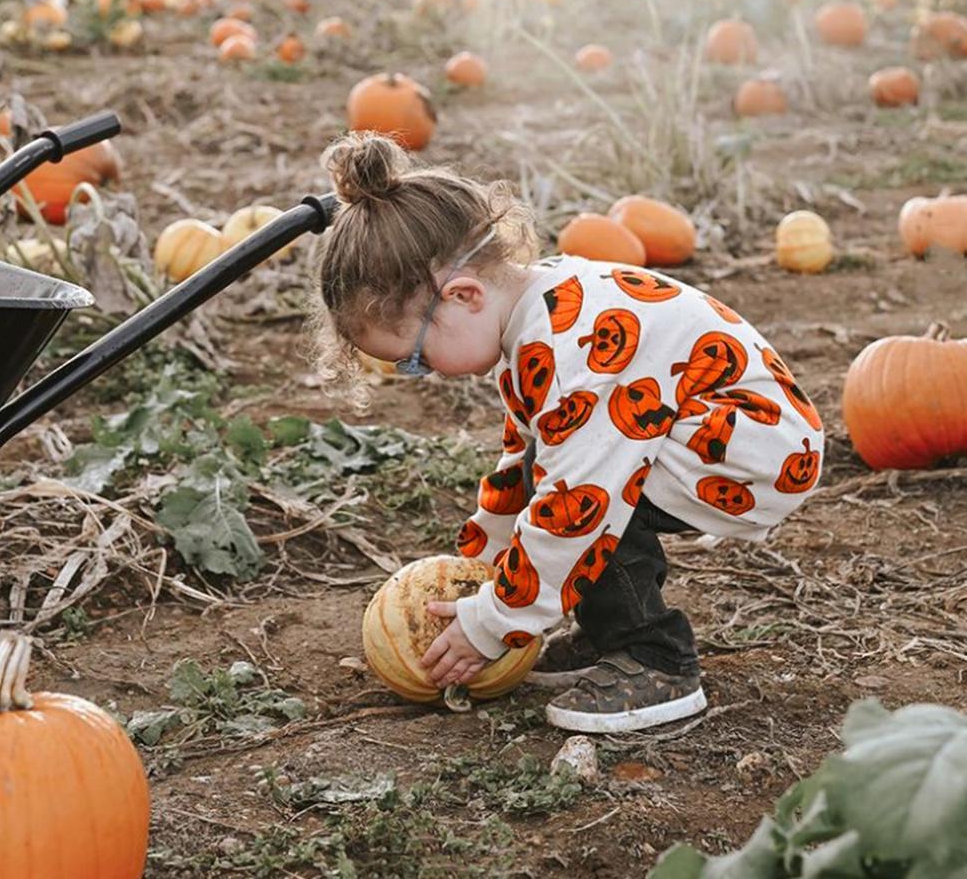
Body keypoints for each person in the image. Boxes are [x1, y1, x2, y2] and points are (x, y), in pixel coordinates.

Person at [315, 131, 824, 734]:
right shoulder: (536, 316)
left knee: (589, 498)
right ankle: (609, 631)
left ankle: (657, 658)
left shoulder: (575, 345)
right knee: (568, 475)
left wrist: (492, 622)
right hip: (703, 439)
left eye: (416, 358)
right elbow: (525, 457)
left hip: (750, 454)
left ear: (463, 297)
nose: (421, 376)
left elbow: (578, 499)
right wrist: (485, 568)